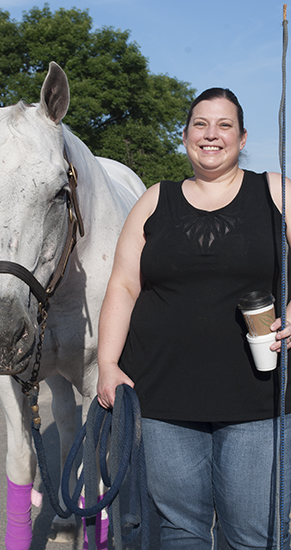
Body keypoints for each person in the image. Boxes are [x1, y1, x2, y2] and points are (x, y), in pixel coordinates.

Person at [96, 88, 291, 549]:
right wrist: (107, 364)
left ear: (242, 138)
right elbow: (123, 285)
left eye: (224, 125)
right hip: (163, 398)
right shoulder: (153, 200)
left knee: (252, 533)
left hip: (256, 399)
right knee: (179, 531)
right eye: (200, 124)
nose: (211, 135)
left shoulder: (276, 191)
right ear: (185, 136)